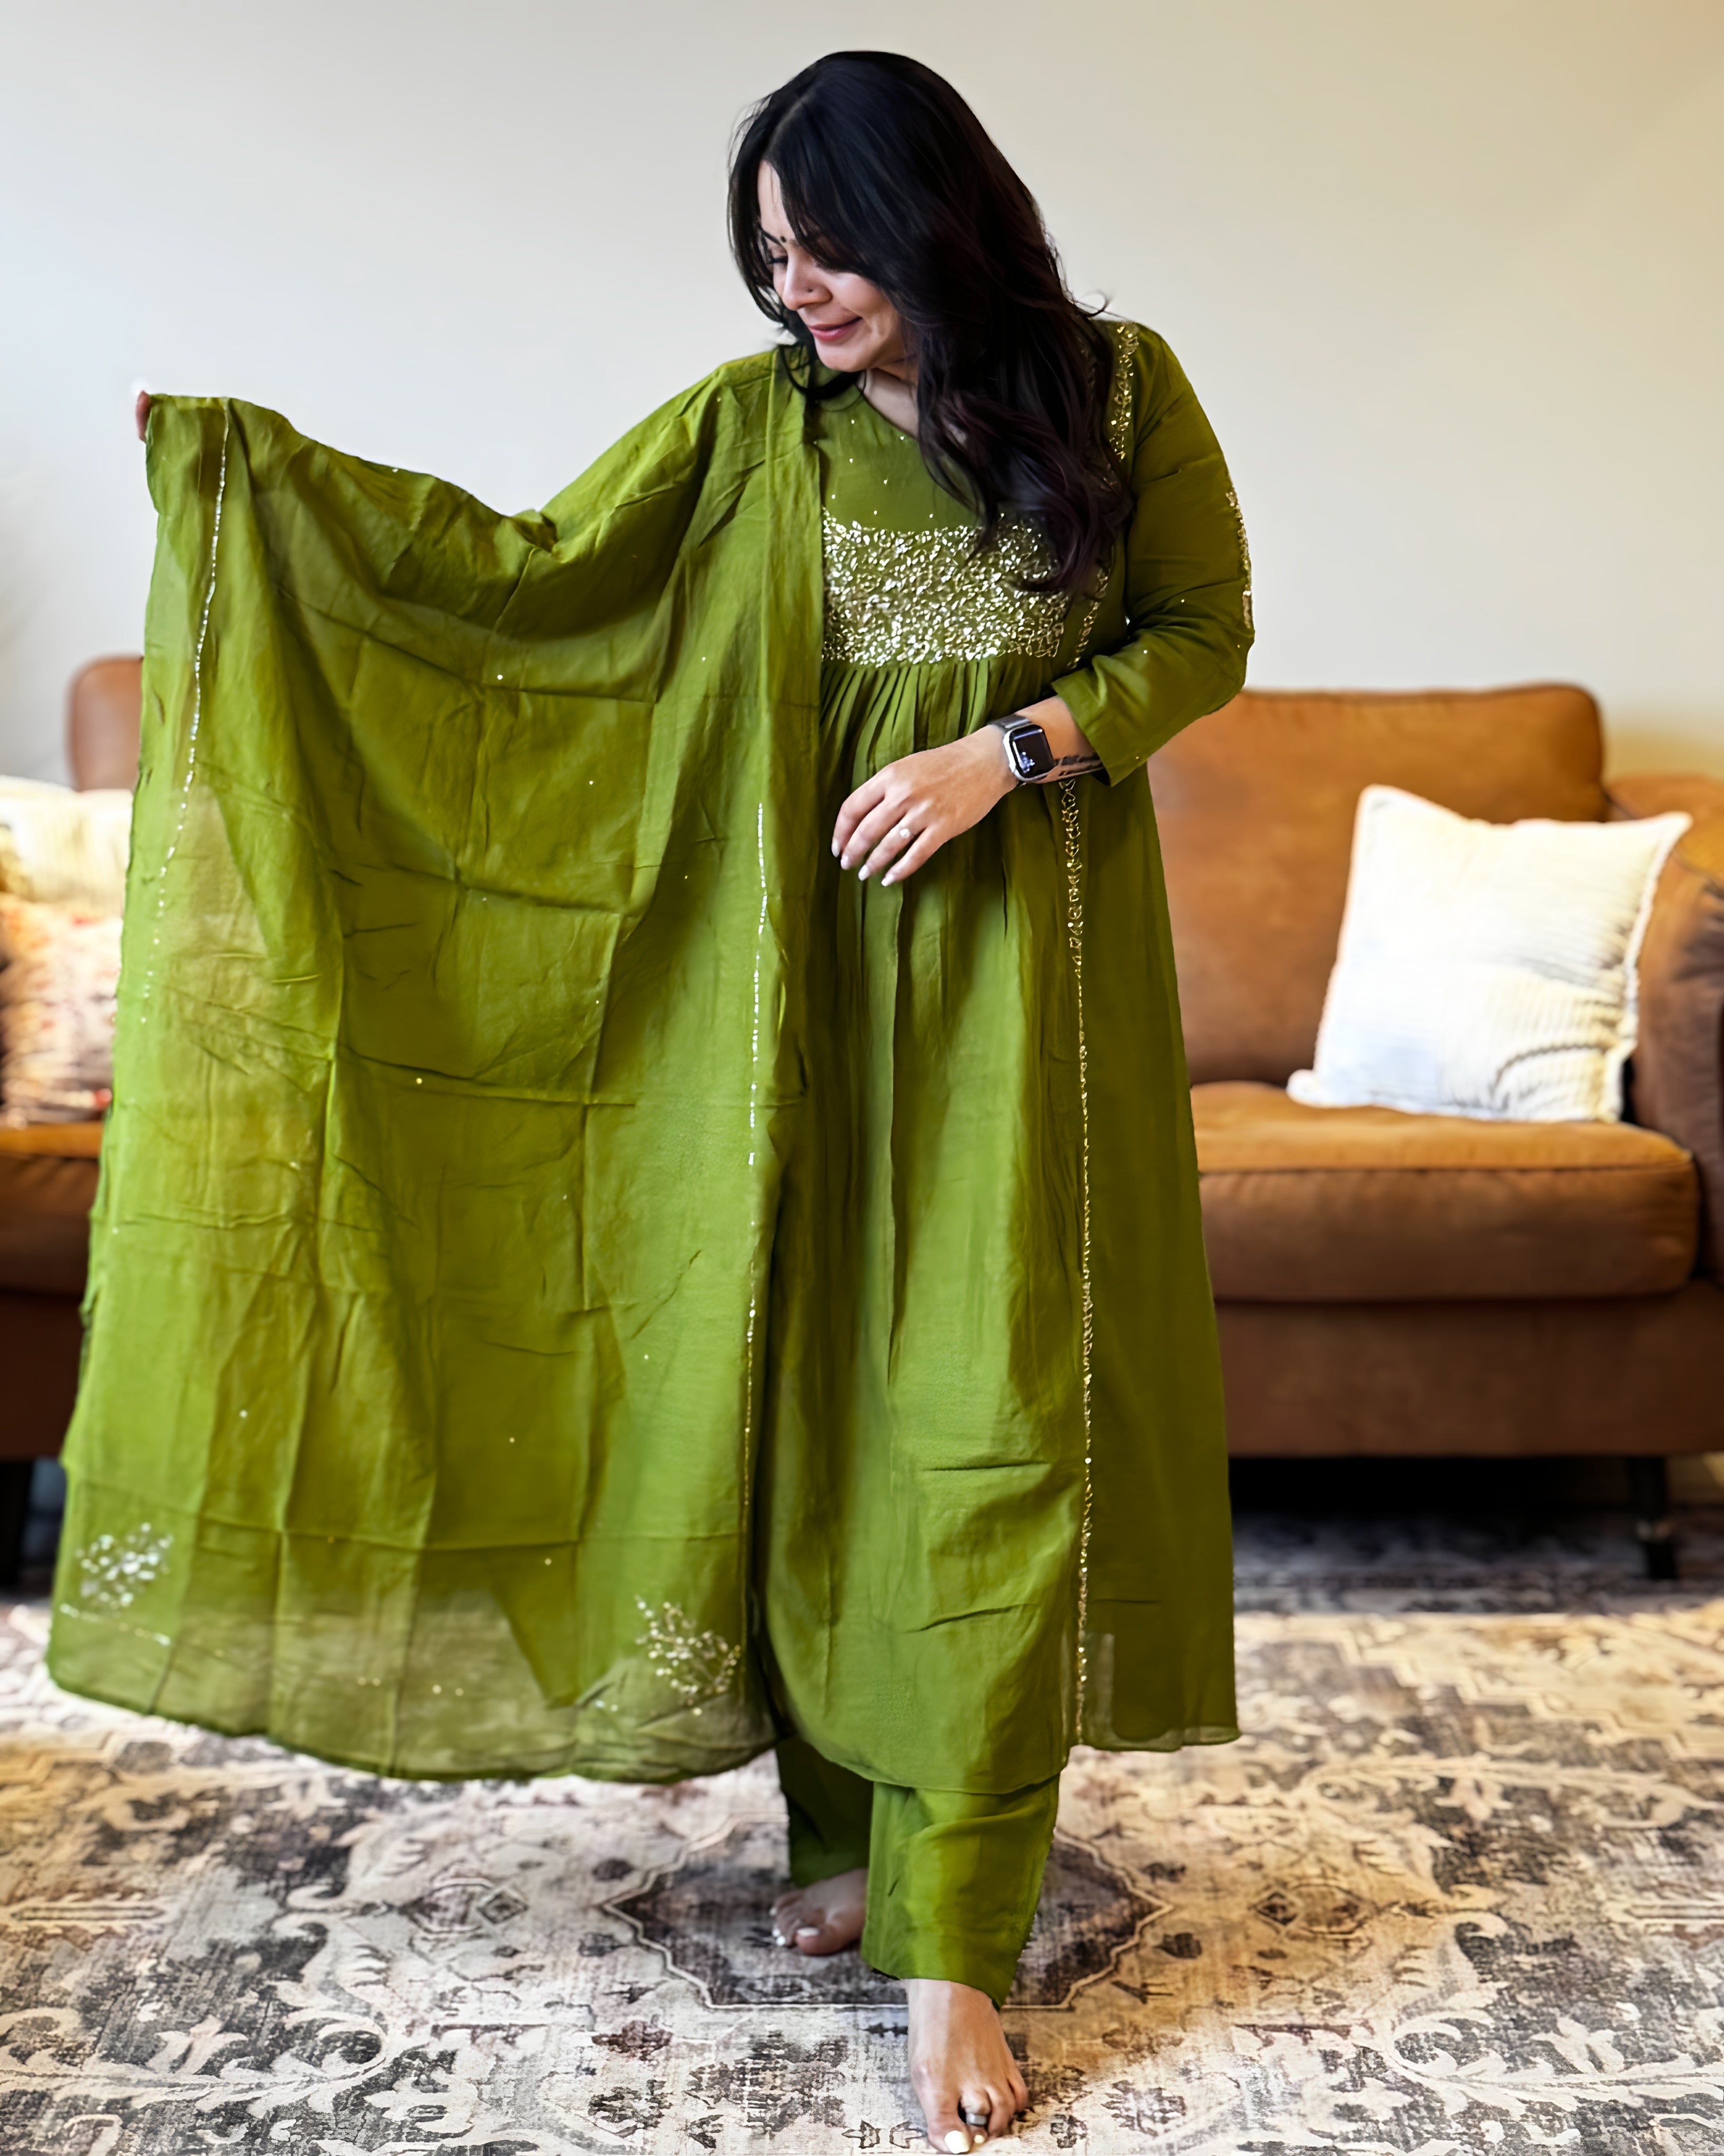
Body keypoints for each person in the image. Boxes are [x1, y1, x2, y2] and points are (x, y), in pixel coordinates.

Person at [83, 49, 1247, 2153]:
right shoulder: (753, 439)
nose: (797, 290)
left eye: (832, 250)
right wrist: (258, 484)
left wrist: (1019, 752)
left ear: (940, 220)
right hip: (790, 1011)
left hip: (1030, 1013)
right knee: (811, 1414)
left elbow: (1205, 627)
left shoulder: (1126, 395)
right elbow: (518, 585)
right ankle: (846, 1841)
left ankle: (954, 1935)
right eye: (772, 257)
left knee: (987, 1434)